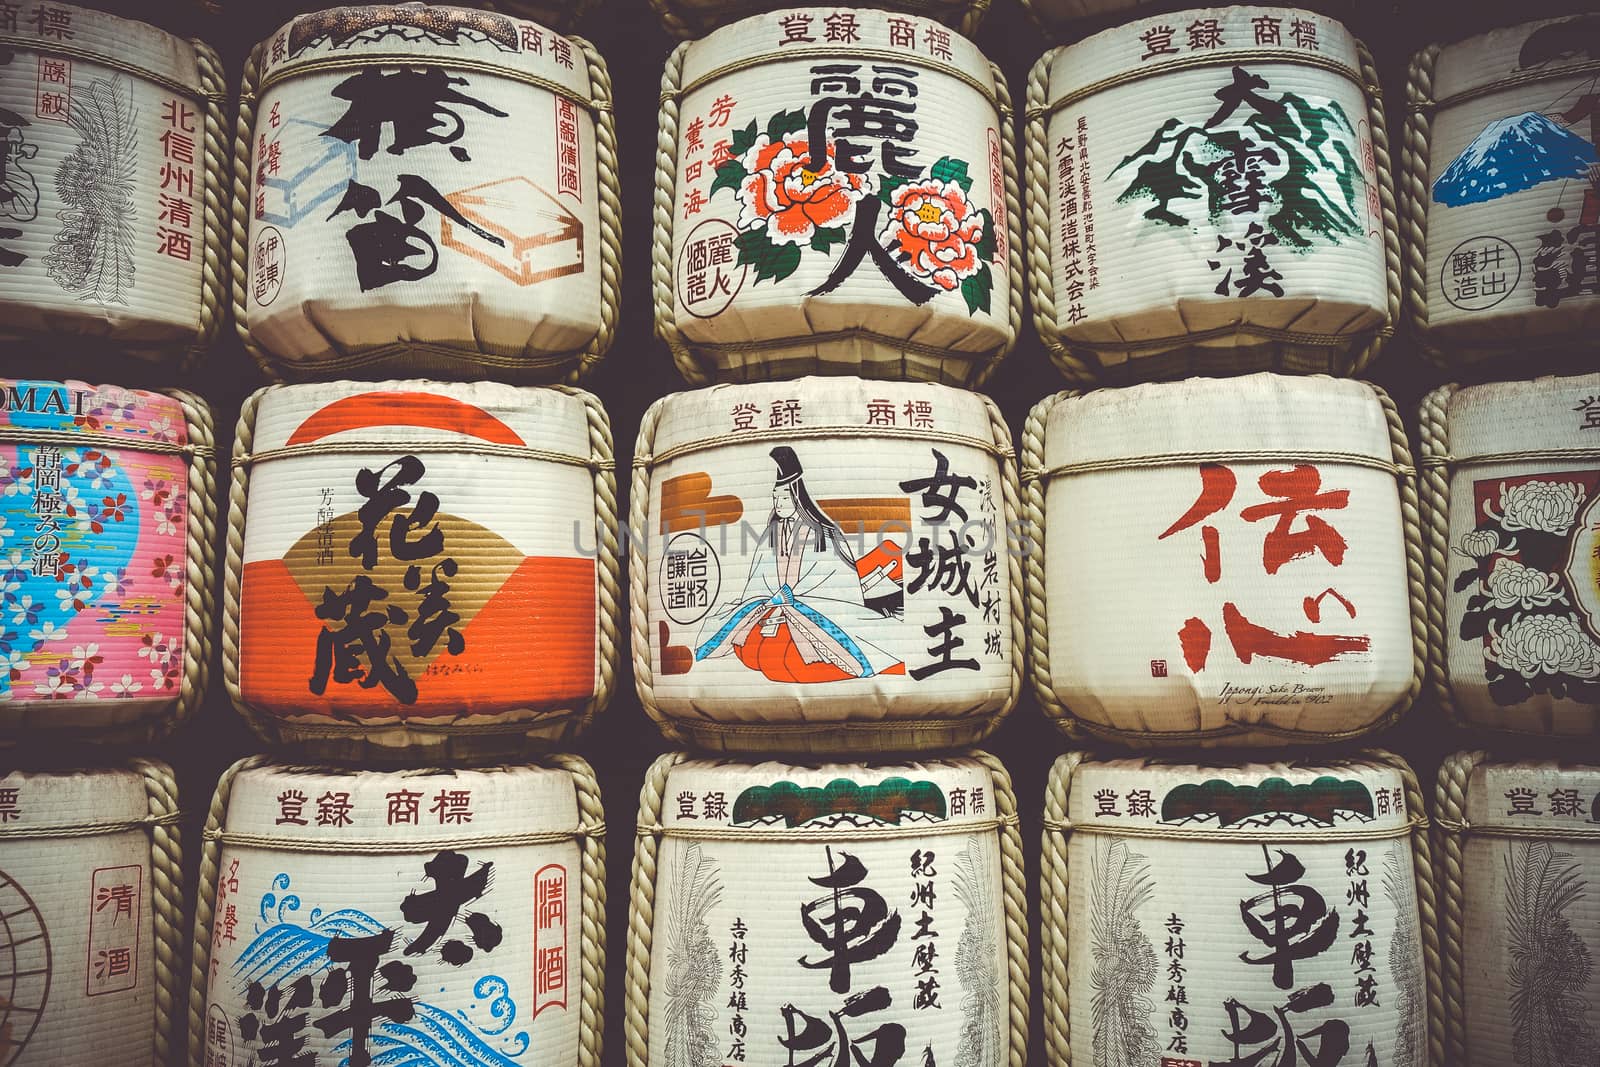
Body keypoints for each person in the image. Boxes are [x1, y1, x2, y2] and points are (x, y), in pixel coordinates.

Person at [695, 446, 903, 682]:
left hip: (814, 609)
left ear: (797, 497)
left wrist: (793, 601)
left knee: (791, 654)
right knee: (750, 644)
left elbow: (833, 581)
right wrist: (767, 601)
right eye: (776, 498)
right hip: (774, 605)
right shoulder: (771, 534)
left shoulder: (822, 533)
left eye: (784, 497)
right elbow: (758, 580)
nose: (779, 503)